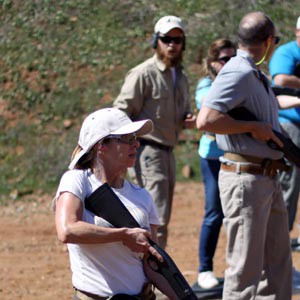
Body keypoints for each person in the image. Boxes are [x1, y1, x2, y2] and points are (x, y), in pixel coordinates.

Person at [197, 11, 292, 299]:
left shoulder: (253, 73)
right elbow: (206, 119)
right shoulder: (237, 71)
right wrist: (253, 127)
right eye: (274, 41)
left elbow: (272, 103)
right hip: (245, 180)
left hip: (265, 176)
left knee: (276, 270)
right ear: (267, 41)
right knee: (245, 271)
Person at [54, 107, 166, 300]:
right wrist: (123, 235)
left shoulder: (142, 196)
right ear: (101, 146)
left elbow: (152, 262)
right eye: (128, 139)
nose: (136, 144)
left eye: (136, 138)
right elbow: (67, 230)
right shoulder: (77, 181)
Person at [113, 15, 195, 249]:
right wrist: (126, 148)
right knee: (152, 218)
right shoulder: (142, 74)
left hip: (168, 152)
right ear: (155, 41)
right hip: (147, 151)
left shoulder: (180, 76)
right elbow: (120, 113)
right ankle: (150, 276)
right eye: (166, 39)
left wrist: (187, 119)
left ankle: (154, 276)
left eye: (178, 40)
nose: (172, 44)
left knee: (160, 217)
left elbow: (182, 112)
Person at [195, 39, 236, 289]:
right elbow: (210, 109)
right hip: (212, 155)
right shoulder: (206, 85)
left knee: (237, 213)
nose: (229, 64)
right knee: (214, 212)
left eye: (233, 58)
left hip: (235, 154)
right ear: (212, 63)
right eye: (224, 60)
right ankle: (204, 269)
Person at [269, 16, 300, 243]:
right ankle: (281, 239)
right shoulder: (287, 52)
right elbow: (280, 78)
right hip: (290, 123)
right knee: (289, 182)